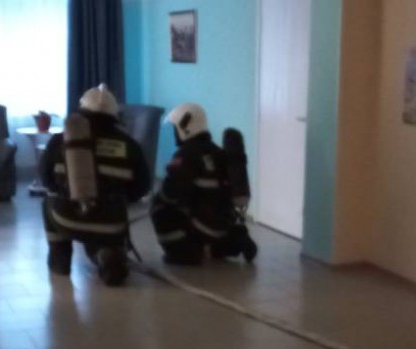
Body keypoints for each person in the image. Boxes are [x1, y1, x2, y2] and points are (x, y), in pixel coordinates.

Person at [39, 84, 151, 286]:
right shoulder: (129, 145)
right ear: (114, 115)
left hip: (65, 218)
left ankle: (59, 261)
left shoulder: (59, 140)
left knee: (47, 202)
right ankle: (107, 254)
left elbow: (45, 180)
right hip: (111, 222)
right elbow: (142, 187)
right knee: (103, 232)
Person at [151, 103, 257, 265]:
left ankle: (183, 253)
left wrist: (160, 197)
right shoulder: (217, 151)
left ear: (185, 126)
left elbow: (169, 193)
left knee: (159, 206)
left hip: (201, 225)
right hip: (223, 224)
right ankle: (233, 239)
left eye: (175, 128)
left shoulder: (186, 154)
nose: (175, 133)